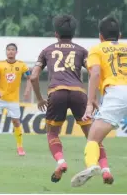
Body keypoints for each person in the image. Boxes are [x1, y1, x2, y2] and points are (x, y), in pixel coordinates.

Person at [31, 14, 111, 184]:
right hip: (78, 93)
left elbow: (33, 77)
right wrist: (92, 98)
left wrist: (39, 99)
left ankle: (61, 162)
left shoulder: (47, 51)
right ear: (73, 33)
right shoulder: (81, 50)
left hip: (57, 93)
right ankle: (105, 170)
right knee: (94, 137)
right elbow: (93, 73)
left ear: (56, 34)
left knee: (52, 133)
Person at [71, 16, 126, 187]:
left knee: (93, 139)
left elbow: (94, 73)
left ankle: (93, 165)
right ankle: (102, 169)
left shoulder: (97, 49)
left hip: (117, 93)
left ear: (101, 36)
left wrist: (90, 101)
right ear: (120, 34)